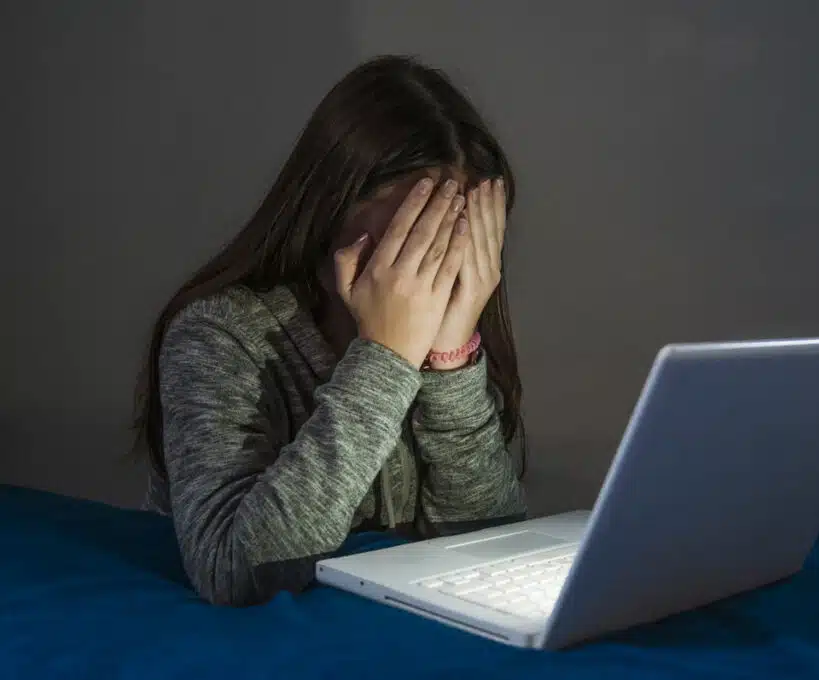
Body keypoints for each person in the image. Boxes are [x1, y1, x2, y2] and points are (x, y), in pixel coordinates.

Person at [133, 55, 528, 607]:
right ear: (330, 212)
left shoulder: (453, 335)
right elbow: (237, 572)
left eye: (456, 241)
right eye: (414, 238)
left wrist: (453, 363)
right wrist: (385, 356)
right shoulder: (218, 334)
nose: (436, 268)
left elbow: (489, 555)